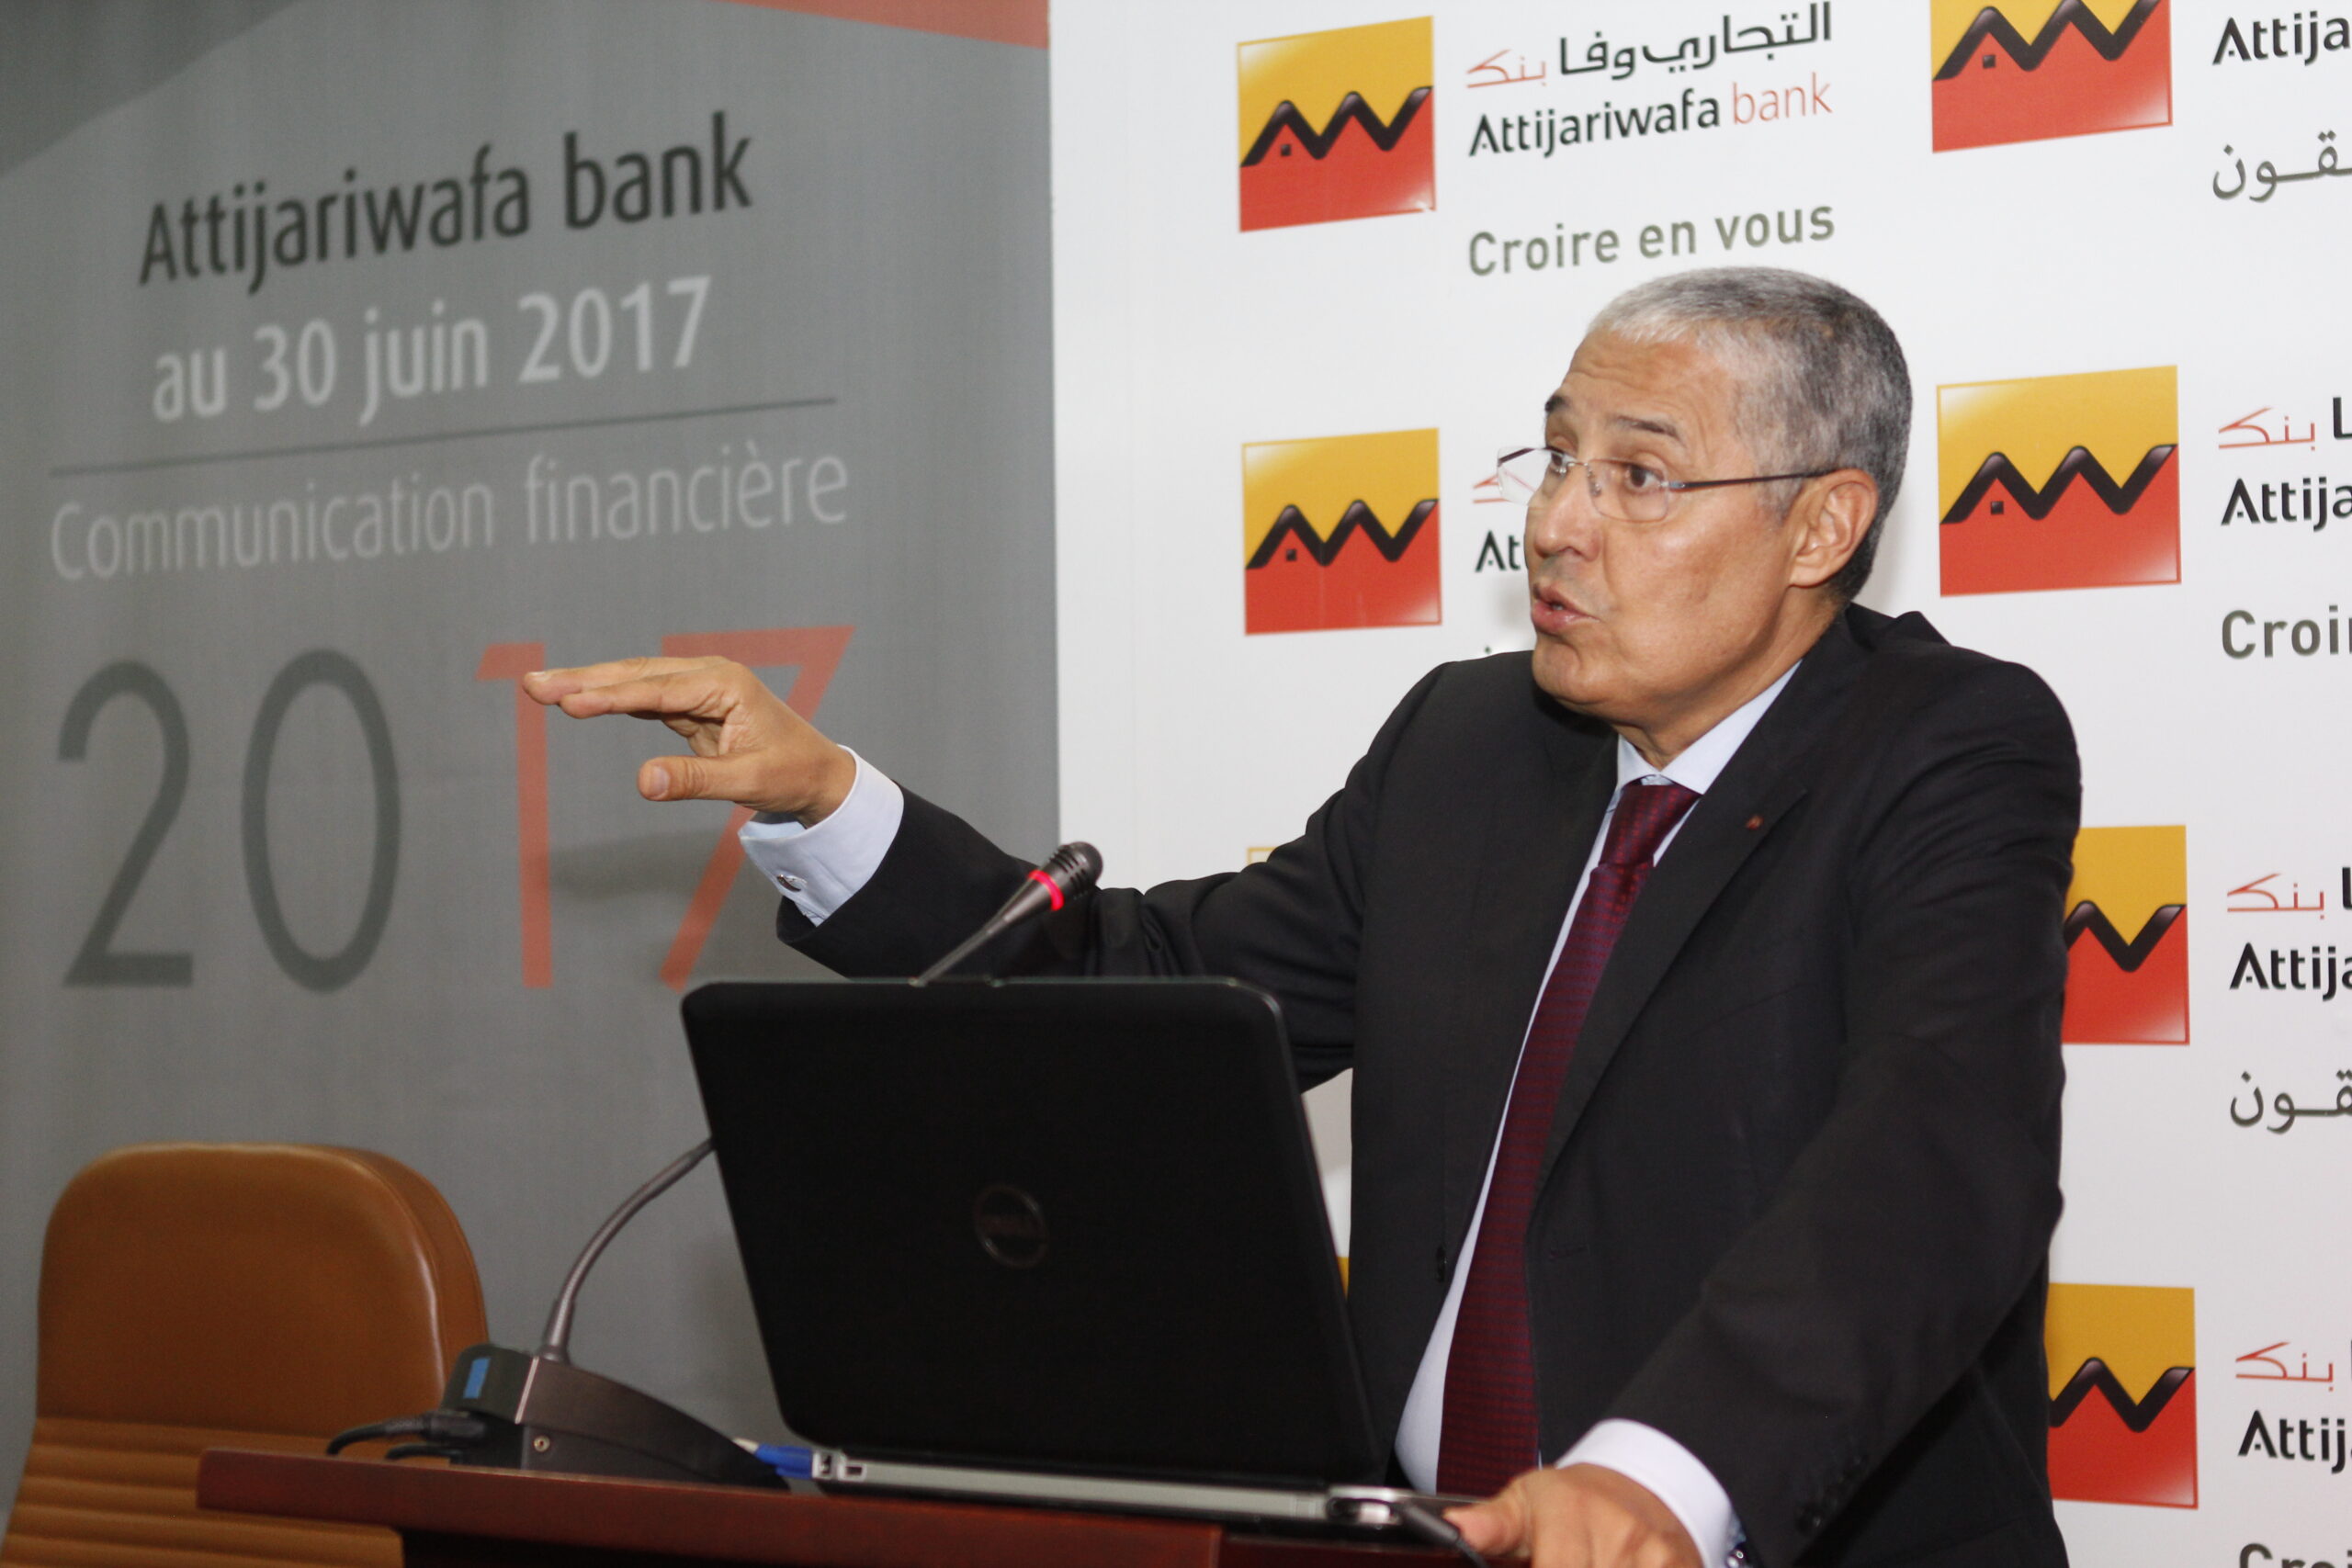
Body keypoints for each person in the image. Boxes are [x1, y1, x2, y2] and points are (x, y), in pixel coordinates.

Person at [523, 267, 2078, 1568]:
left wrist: (1663, 1478)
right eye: (1555, 458)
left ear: (1820, 529)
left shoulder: (1943, 748)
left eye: (1641, 477)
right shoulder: (1473, 746)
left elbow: (1935, 1159)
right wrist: (830, 804)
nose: (1556, 524)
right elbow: (1155, 984)